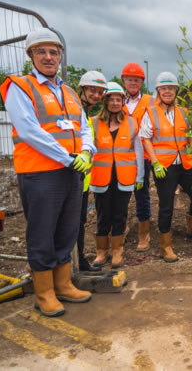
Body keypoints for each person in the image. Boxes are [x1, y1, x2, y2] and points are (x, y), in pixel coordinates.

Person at [0, 28, 94, 317]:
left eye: (53, 51)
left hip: (71, 171)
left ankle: (63, 284)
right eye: (41, 51)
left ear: (60, 55)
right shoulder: (20, 87)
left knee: (67, 229)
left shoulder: (67, 91)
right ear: (31, 55)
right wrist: (67, 157)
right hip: (40, 173)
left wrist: (87, 152)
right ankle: (44, 293)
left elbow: (83, 126)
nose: (48, 57)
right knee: (42, 232)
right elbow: (29, 131)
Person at [141, 72, 192, 262]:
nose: (167, 91)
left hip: (184, 163)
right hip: (164, 166)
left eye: (171, 88)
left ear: (176, 90)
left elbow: (190, 133)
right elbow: (146, 138)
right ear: (158, 91)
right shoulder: (150, 113)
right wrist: (155, 162)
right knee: (166, 205)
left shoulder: (183, 112)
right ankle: (165, 246)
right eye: (163, 88)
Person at [90, 82, 143, 269]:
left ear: (123, 101)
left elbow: (138, 151)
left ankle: (117, 251)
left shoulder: (131, 122)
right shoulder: (94, 122)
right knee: (103, 215)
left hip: (124, 177)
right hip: (101, 177)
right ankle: (101, 252)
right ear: (105, 102)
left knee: (120, 214)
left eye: (118, 99)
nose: (115, 102)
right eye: (111, 99)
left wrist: (140, 176)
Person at [76, 71, 108, 271]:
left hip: (82, 180)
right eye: (92, 91)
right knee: (69, 224)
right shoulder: (74, 110)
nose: (96, 96)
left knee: (79, 223)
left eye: (99, 93)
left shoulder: (86, 114)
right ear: (83, 89)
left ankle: (78, 261)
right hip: (70, 176)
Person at [121, 63, 154, 252]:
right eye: (129, 79)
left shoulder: (151, 101)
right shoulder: (116, 99)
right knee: (121, 195)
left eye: (136, 80)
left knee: (142, 194)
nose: (133, 83)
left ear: (142, 81)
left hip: (143, 156)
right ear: (124, 80)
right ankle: (121, 228)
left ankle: (144, 233)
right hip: (121, 155)